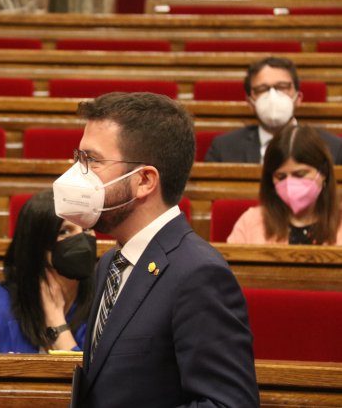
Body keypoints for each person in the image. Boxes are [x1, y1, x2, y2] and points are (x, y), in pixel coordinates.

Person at [53, 92, 259, 406]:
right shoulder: (111, 261)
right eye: (78, 158)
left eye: (92, 160)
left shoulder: (198, 273)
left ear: (145, 180)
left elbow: (227, 403)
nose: (77, 173)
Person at [0, 190, 96, 353]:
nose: (81, 238)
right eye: (65, 231)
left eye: (87, 228)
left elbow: (90, 377)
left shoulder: (104, 300)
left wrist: (56, 323)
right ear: (36, 243)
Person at [205, 56, 342, 164]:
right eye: (262, 89)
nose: (272, 96)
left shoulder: (332, 147)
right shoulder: (223, 148)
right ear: (250, 103)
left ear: (298, 98)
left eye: (282, 87)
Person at [228, 125, 342, 245]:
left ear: (323, 172)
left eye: (300, 174)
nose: (289, 184)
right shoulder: (250, 222)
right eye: (281, 177)